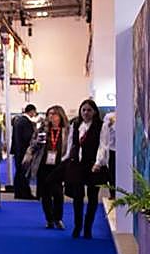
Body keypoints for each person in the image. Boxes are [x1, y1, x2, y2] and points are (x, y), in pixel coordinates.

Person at [25, 105, 68, 229]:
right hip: (43, 165)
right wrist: (36, 143)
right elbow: (32, 145)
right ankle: (49, 219)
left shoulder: (66, 131)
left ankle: (58, 218)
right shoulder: (41, 130)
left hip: (59, 166)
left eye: (54, 114)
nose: (51, 117)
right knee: (45, 194)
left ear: (60, 116)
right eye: (49, 114)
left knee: (58, 194)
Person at [65, 99, 103, 239]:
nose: (86, 112)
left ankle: (88, 227)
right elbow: (70, 144)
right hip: (77, 165)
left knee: (93, 198)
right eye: (84, 110)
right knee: (77, 197)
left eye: (89, 110)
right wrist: (67, 159)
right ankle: (77, 226)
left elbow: (103, 145)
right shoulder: (75, 125)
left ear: (94, 112)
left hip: (94, 166)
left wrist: (98, 162)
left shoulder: (101, 126)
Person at [10, 105, 37, 199]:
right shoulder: (26, 122)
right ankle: (25, 193)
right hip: (24, 151)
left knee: (19, 173)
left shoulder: (18, 120)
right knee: (24, 173)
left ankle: (18, 192)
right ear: (32, 111)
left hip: (17, 151)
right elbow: (28, 138)